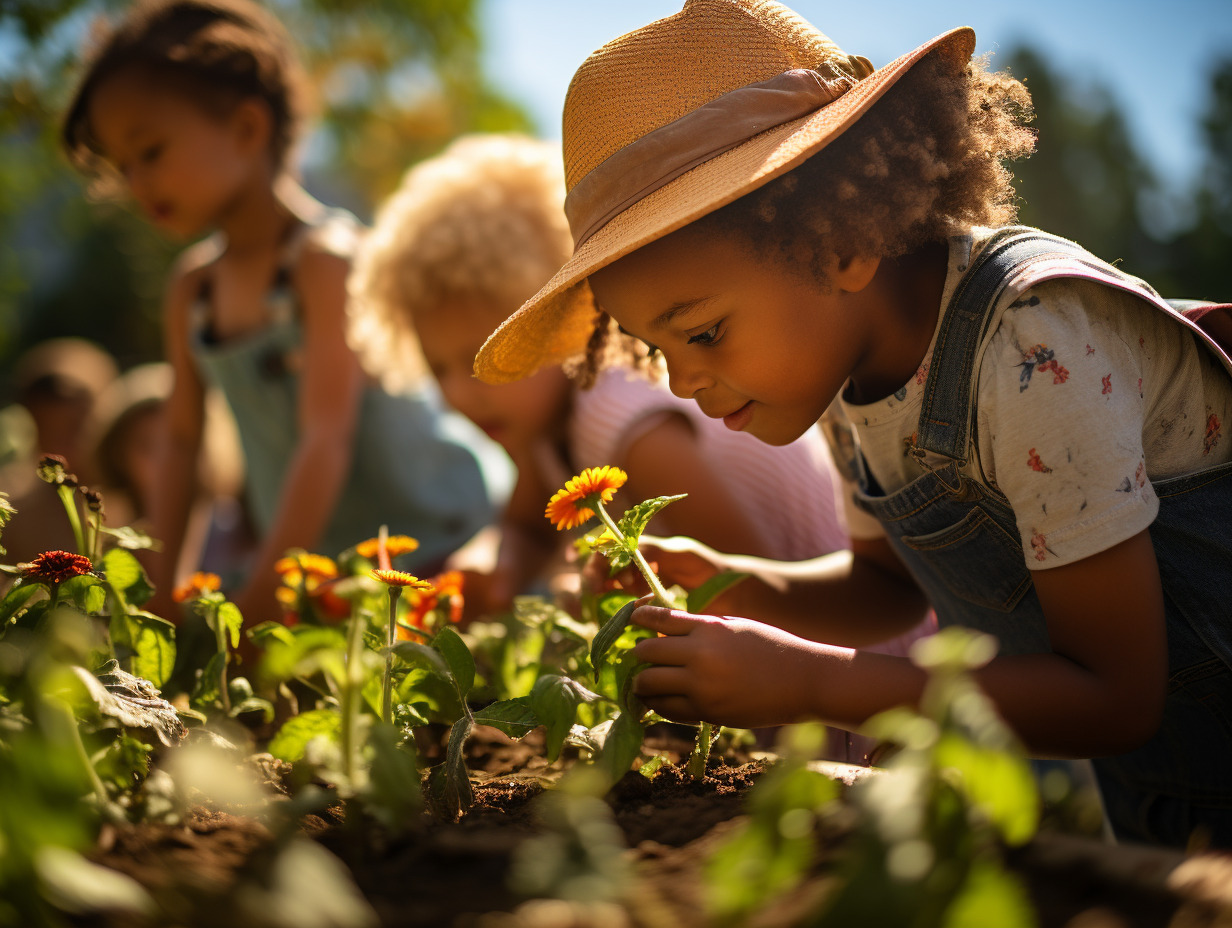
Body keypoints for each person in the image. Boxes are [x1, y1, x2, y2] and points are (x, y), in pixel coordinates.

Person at [473, 0, 1232, 847]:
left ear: (842, 244)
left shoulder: (1031, 345)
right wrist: (727, 579)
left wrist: (812, 683)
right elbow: (883, 592)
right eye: (656, 350)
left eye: (703, 333)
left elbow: (1116, 695)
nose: (682, 382)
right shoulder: (844, 375)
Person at [60, 0, 511, 626]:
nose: (136, 183)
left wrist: (265, 593)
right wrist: (162, 591)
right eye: (123, 166)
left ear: (247, 128)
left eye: (152, 151)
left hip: (435, 537)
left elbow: (326, 436)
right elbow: (184, 442)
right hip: (323, 564)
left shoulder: (324, 261)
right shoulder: (193, 289)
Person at [348, 132, 857, 618]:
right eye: (438, 370)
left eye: (485, 361)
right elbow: (525, 524)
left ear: (550, 326)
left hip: (850, 651)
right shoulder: (541, 430)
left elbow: (751, 595)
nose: (459, 396)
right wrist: (492, 562)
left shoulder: (625, 417)